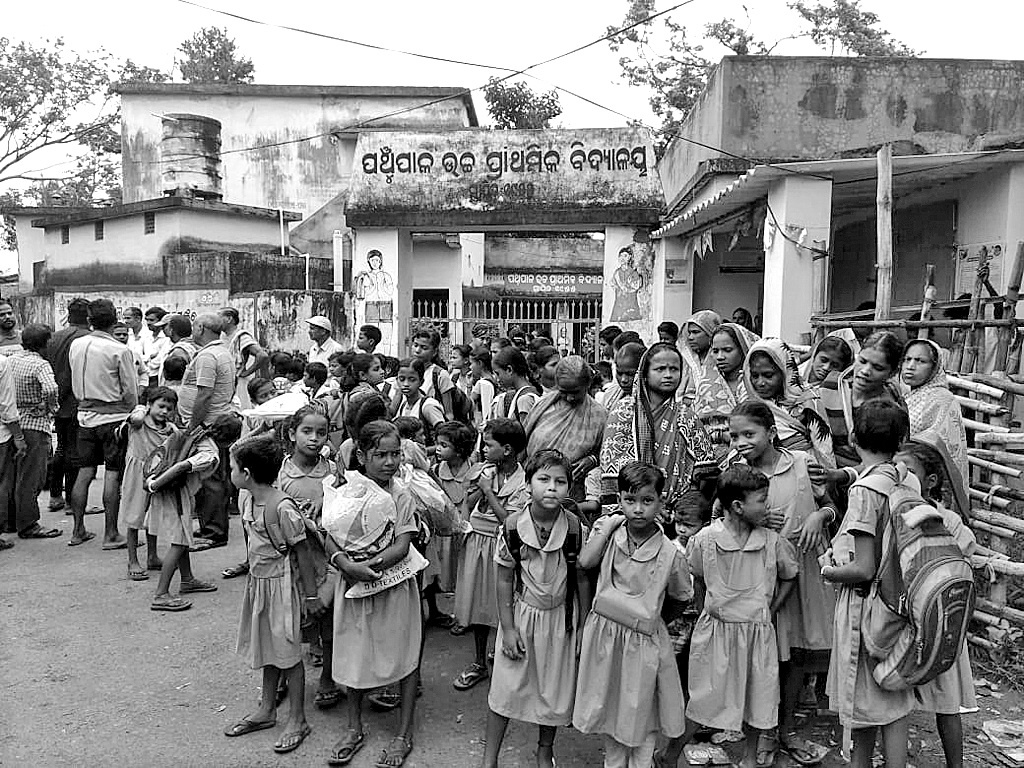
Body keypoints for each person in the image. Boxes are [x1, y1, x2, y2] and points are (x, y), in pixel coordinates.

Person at [659, 465, 798, 768]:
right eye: (761, 501)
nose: (767, 507)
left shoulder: (772, 541)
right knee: (702, 701)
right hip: (715, 633)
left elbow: (790, 575)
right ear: (737, 506)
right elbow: (697, 578)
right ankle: (668, 756)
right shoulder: (705, 540)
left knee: (758, 700)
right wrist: (705, 611)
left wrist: (771, 610)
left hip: (757, 633)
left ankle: (749, 759)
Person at [727, 402, 834, 766]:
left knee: (797, 656)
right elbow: (722, 520)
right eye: (734, 436)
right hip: (759, 576)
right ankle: (761, 730)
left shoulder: (802, 463)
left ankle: (785, 729)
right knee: (764, 656)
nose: (740, 442)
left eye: (749, 434)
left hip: (803, 570)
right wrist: (751, 522)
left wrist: (820, 516)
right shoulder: (736, 472)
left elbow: (831, 505)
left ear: (772, 433)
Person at [573, 462, 692, 768]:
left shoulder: (671, 553)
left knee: (643, 713)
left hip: (645, 641)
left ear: (661, 502)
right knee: (610, 708)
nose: (638, 509)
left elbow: (681, 597)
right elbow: (585, 563)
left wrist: (654, 621)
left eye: (647, 501)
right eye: (630, 500)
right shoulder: (610, 536)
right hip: (607, 639)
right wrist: (608, 525)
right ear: (620, 500)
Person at [479, 449, 590, 768]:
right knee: (505, 688)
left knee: (553, 691)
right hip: (522, 616)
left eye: (560, 481)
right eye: (543, 479)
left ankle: (545, 749)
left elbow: (582, 578)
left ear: (569, 487)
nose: (552, 487)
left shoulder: (575, 529)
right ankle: (490, 758)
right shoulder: (512, 527)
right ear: (528, 485)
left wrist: (583, 625)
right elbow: (504, 579)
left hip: (561, 620)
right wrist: (508, 628)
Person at [821, 400, 915, 768]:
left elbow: (863, 568)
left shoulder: (865, 492)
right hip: (899, 605)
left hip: (866, 607)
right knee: (893, 698)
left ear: (854, 437)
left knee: (863, 700)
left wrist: (829, 571)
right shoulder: (905, 478)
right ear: (902, 440)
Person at [325, 421, 421, 768]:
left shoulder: (401, 495)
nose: (390, 461)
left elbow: (402, 544)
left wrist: (368, 566)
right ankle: (354, 727)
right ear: (362, 456)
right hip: (354, 586)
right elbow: (329, 535)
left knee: (405, 654)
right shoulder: (345, 490)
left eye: (395, 454)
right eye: (381, 454)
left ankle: (403, 732)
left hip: (393, 585)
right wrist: (345, 564)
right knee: (354, 652)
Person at [225, 434, 321, 755]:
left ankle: (298, 719)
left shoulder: (281, 507)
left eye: (233, 468)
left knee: (289, 654)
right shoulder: (249, 501)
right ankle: (267, 709)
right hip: (260, 585)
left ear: (246, 474)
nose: (230, 473)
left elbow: (303, 552)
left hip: (282, 587)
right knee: (270, 647)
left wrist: (311, 597)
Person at [896, 433, 976, 768]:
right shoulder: (895, 516)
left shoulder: (949, 522)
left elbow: (959, 568)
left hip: (940, 626)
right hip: (903, 623)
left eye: (908, 471)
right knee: (896, 700)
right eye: (896, 470)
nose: (900, 477)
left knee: (947, 703)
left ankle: (956, 764)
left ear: (929, 481)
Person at [601, 342, 717, 541]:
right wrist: (649, 503)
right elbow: (613, 469)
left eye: (674, 369)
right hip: (632, 514)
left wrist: (681, 507)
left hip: (677, 521)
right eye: (660, 369)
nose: (668, 375)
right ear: (645, 374)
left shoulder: (686, 416)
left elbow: (707, 472)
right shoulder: (623, 412)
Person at [452, 417, 528, 689]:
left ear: (506, 450)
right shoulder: (483, 471)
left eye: (488, 445)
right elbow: (468, 503)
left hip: (502, 548)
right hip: (478, 542)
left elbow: (509, 521)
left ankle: (503, 651)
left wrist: (488, 490)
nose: (483, 449)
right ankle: (479, 662)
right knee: (478, 604)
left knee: (502, 603)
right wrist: (478, 487)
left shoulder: (523, 482)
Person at [277, 405, 343, 711]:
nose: (314, 438)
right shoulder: (280, 472)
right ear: (292, 434)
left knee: (327, 617)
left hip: (325, 558)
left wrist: (325, 496)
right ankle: (282, 676)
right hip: (289, 559)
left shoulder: (332, 472)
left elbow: (346, 506)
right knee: (288, 619)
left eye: (321, 432)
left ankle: (328, 677)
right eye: (307, 431)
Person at [68, 299, 139, 548]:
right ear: (114, 320)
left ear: (90, 321)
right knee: (113, 474)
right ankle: (111, 534)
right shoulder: (119, 350)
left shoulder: (77, 345)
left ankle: (77, 530)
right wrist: (133, 412)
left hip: (84, 417)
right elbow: (130, 392)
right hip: (113, 419)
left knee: (85, 471)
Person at [146, 411, 221, 612]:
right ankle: (161, 594)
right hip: (175, 493)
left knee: (183, 537)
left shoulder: (194, 435)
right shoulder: (210, 453)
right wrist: (154, 485)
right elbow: (181, 466)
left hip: (175, 492)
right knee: (179, 543)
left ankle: (187, 578)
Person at [178, 312, 238, 550]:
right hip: (215, 421)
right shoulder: (222, 352)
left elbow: (204, 394)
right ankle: (211, 526)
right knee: (214, 477)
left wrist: (194, 427)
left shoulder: (208, 356)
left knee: (210, 478)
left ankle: (214, 531)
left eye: (194, 326)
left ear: (201, 328)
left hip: (207, 425)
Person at [0, 324, 60, 539]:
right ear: (45, 343)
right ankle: (28, 523)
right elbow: (51, 388)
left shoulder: (11, 360)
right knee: (31, 477)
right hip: (34, 424)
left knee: (12, 476)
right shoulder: (40, 364)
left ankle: (10, 521)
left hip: (13, 423)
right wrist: (50, 406)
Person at [524, 356, 607, 503]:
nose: (569, 398)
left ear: (587, 384)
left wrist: (592, 460)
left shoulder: (599, 415)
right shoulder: (543, 406)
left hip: (571, 497)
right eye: (563, 391)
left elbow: (606, 454)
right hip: (532, 491)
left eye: (575, 392)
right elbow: (522, 445)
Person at [744, 338, 835, 468]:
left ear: (785, 371)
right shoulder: (749, 402)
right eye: (754, 376)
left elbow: (824, 448)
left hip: (803, 470)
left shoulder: (808, 400)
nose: (760, 383)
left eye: (768, 375)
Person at [819, 331, 905, 468]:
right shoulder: (832, 386)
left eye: (877, 368)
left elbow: (885, 461)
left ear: (892, 373)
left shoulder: (889, 409)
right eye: (862, 361)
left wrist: (844, 475)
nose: (865, 371)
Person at [119, 388, 177, 580]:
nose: (164, 411)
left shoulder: (169, 429)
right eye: (161, 406)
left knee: (153, 516)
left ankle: (152, 556)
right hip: (137, 473)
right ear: (150, 404)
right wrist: (142, 408)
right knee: (134, 516)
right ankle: (132, 561)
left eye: (169, 408)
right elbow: (135, 418)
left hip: (157, 474)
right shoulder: (140, 422)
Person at [900, 339, 969, 490]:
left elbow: (943, 443)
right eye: (907, 359)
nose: (910, 366)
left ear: (935, 367)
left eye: (920, 361)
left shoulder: (943, 399)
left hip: (928, 479)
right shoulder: (905, 396)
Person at [47, 297, 91, 513]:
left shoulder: (54, 338)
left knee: (62, 447)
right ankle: (73, 502)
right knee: (75, 452)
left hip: (58, 400)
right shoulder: (88, 339)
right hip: (79, 402)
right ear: (88, 316)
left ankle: (55, 495)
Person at [694, 322, 760, 449]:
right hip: (711, 453)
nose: (720, 357)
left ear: (743, 348)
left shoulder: (757, 383)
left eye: (727, 350)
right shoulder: (706, 386)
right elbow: (696, 428)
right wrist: (721, 436)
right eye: (715, 351)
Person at [220, 307, 268, 410]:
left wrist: (246, 373)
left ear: (229, 319)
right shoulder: (222, 337)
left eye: (219, 317)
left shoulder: (241, 336)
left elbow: (262, 355)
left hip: (238, 383)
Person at [392, 358, 444, 446]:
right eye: (402, 379)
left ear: (421, 382)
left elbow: (445, 439)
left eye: (412, 380)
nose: (406, 384)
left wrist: (422, 451)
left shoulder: (428, 406)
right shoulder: (404, 405)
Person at [0, 354, 23, 551]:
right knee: (2, 484)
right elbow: (7, 405)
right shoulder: (2, 363)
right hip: (1, 435)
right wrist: (18, 436)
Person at [678, 310, 722, 405]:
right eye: (689, 333)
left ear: (710, 333)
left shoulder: (722, 362)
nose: (690, 337)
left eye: (695, 332)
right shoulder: (685, 363)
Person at [411, 328, 455, 421]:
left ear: (434, 352)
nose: (417, 350)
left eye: (424, 348)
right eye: (415, 345)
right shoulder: (407, 370)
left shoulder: (440, 374)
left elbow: (449, 413)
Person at [491, 347, 541, 425]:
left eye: (498, 373)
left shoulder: (524, 399)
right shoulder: (527, 392)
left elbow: (525, 431)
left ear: (509, 370)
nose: (497, 379)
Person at [597, 341, 643, 413]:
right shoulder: (610, 394)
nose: (623, 380)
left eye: (630, 374)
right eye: (619, 373)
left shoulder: (654, 401)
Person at [157, 315, 198, 384]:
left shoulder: (179, 351)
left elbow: (174, 381)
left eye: (164, 327)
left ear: (171, 330)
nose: (162, 330)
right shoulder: (192, 345)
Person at [469, 348, 497, 430]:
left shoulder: (484, 383)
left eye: (471, 363)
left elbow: (486, 409)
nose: (470, 367)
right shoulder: (493, 378)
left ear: (480, 363)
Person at [141, 307, 169, 386]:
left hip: (156, 377)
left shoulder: (166, 338)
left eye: (151, 320)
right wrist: (149, 358)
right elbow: (138, 355)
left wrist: (146, 361)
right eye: (147, 320)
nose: (148, 323)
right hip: (144, 376)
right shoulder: (146, 336)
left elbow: (159, 360)